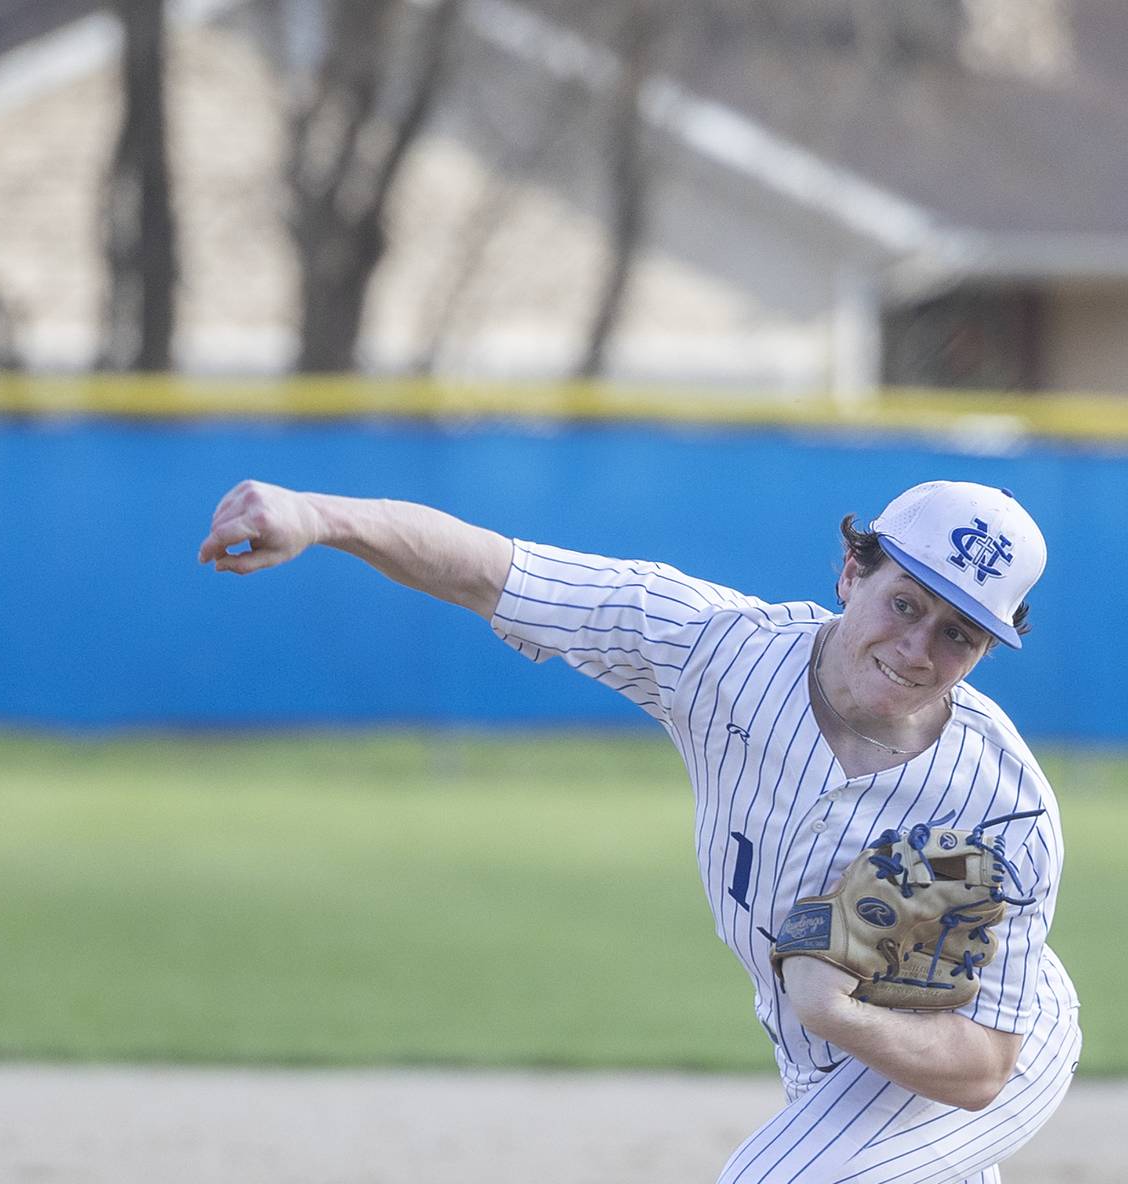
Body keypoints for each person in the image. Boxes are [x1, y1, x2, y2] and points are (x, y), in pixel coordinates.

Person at [198, 477, 1080, 1183]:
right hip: (835, 1048)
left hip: (982, 1039)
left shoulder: (992, 807)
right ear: (852, 573)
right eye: (906, 603)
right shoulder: (716, 652)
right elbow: (498, 571)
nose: (920, 647)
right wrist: (319, 516)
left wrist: (828, 1006)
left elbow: (978, 1069)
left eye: (959, 634)